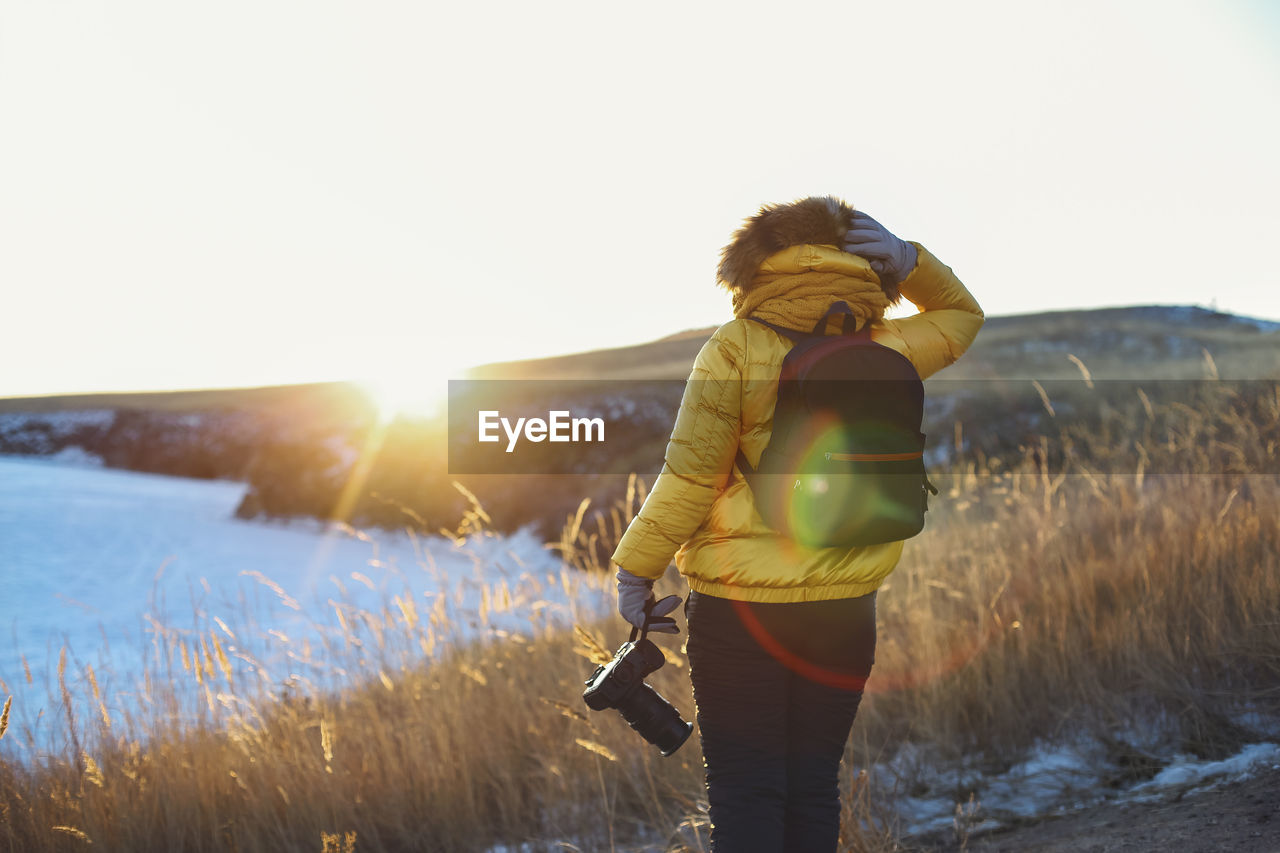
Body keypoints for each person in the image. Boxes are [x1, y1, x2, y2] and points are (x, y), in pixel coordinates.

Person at [609, 196, 984, 852]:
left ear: (758, 264)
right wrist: (911, 261)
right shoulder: (888, 345)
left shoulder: (736, 348)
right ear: (861, 261)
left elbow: (691, 477)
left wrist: (636, 567)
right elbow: (961, 316)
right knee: (812, 782)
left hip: (740, 613)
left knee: (747, 785)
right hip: (847, 610)